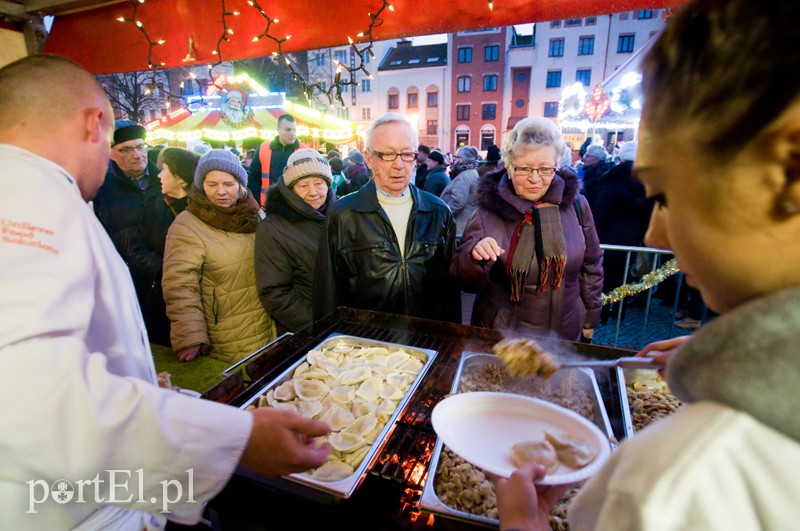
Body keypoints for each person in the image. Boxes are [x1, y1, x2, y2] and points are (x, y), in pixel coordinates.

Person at [493, 1, 800, 529]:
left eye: (663, 193)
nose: (655, 233)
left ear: (788, 172)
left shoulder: (672, 486)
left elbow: (590, 266)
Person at [0, 54, 330, 531]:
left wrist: (134, 380)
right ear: (95, 124)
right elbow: (25, 395)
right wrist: (236, 438)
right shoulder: (27, 199)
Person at [449, 117, 603, 342]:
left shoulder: (577, 206)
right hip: (504, 339)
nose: (534, 179)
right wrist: (474, 258)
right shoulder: (487, 213)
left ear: (556, 168)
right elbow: (462, 280)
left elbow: (592, 266)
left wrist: (590, 317)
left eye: (545, 169)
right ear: (509, 168)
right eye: (524, 168)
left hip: (565, 334)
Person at [314, 112, 462, 323]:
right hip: (367, 346)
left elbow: (450, 292)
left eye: (407, 154)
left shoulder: (438, 212)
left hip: (427, 344)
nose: (399, 165)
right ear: (369, 158)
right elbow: (327, 295)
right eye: (389, 155)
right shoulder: (343, 214)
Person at [163, 149, 277, 364]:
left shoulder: (256, 215)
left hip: (266, 323)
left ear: (240, 185)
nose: (221, 192)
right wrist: (189, 335)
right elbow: (179, 285)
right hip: (224, 332)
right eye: (212, 185)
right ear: (201, 186)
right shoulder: (187, 225)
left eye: (228, 184)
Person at [93, 118, 170, 345]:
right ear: (111, 153)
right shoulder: (102, 189)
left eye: (140, 147)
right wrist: (165, 270)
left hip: (173, 278)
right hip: (136, 285)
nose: (136, 155)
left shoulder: (165, 179)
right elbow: (124, 243)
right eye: (125, 149)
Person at [255, 149, 336, 333]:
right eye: (303, 185)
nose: (313, 192)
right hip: (307, 329)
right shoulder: (273, 228)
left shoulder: (341, 215)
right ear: (290, 188)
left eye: (319, 183)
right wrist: (321, 324)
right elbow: (274, 292)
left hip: (344, 325)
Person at [137, 147, 200, 343]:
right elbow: (139, 246)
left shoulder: (202, 208)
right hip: (162, 295)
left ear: (180, 178)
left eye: (164, 169)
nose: (158, 175)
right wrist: (165, 269)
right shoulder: (154, 205)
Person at [589, 141, 652, 324]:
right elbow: (648, 214)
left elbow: (600, 213)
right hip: (632, 238)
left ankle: (602, 311)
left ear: (621, 157)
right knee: (625, 276)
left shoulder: (612, 182)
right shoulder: (645, 184)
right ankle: (620, 309)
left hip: (609, 238)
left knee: (605, 276)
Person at [247, 113, 308, 205]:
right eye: (288, 130)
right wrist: (257, 202)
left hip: (295, 206)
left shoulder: (305, 150)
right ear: (278, 130)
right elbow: (254, 178)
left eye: (294, 130)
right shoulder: (263, 148)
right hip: (268, 205)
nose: (292, 133)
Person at [441, 145, 481, 235]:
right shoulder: (471, 172)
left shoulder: (464, 176)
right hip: (465, 222)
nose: (454, 160)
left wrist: (444, 215)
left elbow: (458, 202)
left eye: (457, 157)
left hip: (460, 224)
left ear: (465, 159)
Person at [580, 143, 614, 212]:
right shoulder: (591, 172)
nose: (584, 158)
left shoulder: (600, 176)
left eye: (587, 156)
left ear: (596, 159)